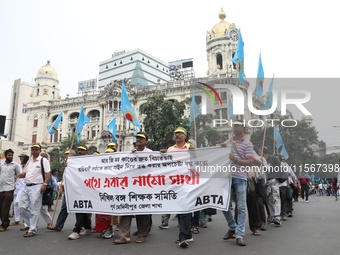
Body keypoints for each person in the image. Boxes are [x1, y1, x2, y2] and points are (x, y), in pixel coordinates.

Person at [113, 132, 152, 244]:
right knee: (126, 211)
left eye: (141, 138)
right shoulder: (130, 154)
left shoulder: (151, 153)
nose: (139, 139)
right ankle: (124, 236)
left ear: (146, 141)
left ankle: (141, 235)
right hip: (129, 187)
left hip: (145, 187)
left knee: (142, 213)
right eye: (137, 138)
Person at [221, 120, 254, 247]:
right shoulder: (228, 143)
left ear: (243, 127)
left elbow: (250, 162)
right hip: (226, 178)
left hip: (240, 177)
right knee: (223, 204)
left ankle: (239, 234)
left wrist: (234, 159)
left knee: (241, 207)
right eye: (233, 125)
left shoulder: (247, 144)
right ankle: (233, 226)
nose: (234, 127)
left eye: (237, 125)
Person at [162, 127, 194, 248]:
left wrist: (194, 152)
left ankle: (182, 236)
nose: (177, 135)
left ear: (185, 136)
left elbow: (200, 160)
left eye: (180, 133)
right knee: (181, 209)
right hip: (175, 184)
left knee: (184, 209)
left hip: (188, 183)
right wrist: (162, 155)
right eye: (175, 133)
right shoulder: (171, 149)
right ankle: (188, 234)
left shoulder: (190, 148)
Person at [18, 144, 51, 237]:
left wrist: (44, 184)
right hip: (26, 186)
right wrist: (22, 175)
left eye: (36, 149)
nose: (34, 151)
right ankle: (30, 224)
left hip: (37, 186)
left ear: (40, 150)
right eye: (33, 149)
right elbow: (25, 173)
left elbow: (48, 173)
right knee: (22, 207)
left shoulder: (43, 160)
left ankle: (32, 229)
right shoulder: (29, 161)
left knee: (34, 208)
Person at [68, 145, 93, 240]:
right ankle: (85, 228)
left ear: (86, 151)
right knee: (80, 208)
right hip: (77, 189)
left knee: (82, 209)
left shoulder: (91, 161)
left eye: (82, 150)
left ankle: (76, 230)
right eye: (79, 150)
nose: (80, 152)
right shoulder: (74, 162)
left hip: (89, 188)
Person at [48, 149, 76, 232]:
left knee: (79, 209)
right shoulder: (66, 165)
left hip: (76, 189)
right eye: (66, 154)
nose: (66, 156)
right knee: (64, 207)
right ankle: (59, 225)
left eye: (68, 154)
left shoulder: (76, 164)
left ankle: (83, 226)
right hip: (68, 189)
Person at [0, 149, 21, 232]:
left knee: (5, 208)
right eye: (9, 155)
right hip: (0, 188)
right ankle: (6, 222)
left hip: (9, 188)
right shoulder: (1, 164)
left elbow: (18, 176)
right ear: (5, 156)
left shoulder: (15, 165)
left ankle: (4, 225)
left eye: (12, 155)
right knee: (0, 207)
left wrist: (14, 185)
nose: (10, 156)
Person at [261, 147, 282, 226]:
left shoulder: (272, 159)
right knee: (268, 200)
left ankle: (277, 216)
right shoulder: (262, 160)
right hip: (265, 182)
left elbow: (280, 168)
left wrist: (277, 178)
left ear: (264, 152)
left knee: (276, 197)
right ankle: (272, 216)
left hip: (273, 180)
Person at [10, 154, 29, 226]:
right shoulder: (17, 166)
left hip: (24, 187)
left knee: (19, 203)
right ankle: (17, 220)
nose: (20, 158)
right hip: (17, 187)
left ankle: (26, 221)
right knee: (15, 204)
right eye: (20, 157)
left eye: (22, 157)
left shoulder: (28, 166)